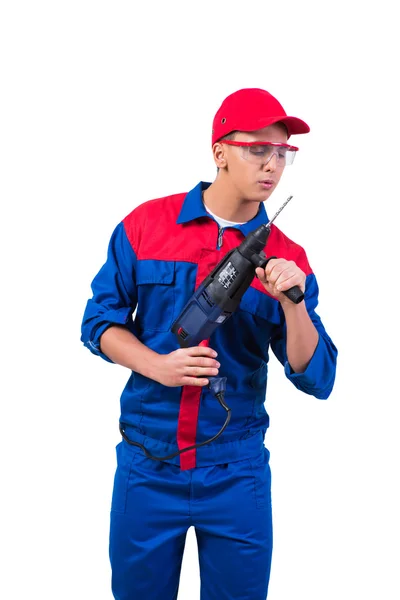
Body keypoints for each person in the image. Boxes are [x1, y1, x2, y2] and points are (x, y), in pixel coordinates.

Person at [80, 87, 338, 600]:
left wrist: (292, 301)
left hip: (236, 471)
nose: (273, 165)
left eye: (283, 153)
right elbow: (98, 324)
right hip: (147, 465)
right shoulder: (145, 226)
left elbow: (317, 376)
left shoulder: (288, 258)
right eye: (258, 149)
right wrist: (157, 366)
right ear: (219, 150)